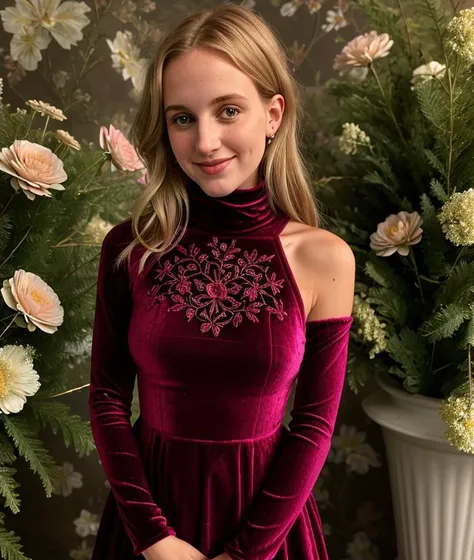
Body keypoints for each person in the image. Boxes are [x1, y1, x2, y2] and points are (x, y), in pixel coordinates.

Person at [88, 4, 355, 560]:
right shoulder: (130, 249)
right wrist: (155, 540)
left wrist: (244, 554)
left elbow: (313, 426)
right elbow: (109, 399)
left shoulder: (324, 258)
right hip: (150, 530)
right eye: (182, 118)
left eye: (228, 110)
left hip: (268, 532)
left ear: (273, 113)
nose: (205, 141)